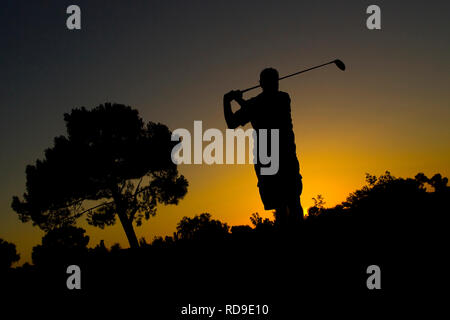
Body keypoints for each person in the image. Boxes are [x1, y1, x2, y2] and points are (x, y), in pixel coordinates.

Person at [223, 68, 303, 227]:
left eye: (275, 80)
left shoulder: (282, 98)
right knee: (281, 206)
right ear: (261, 83)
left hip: (282, 158)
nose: (275, 84)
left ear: (260, 83)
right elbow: (231, 124)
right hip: (268, 161)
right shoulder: (255, 103)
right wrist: (229, 102)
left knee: (292, 202)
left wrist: (233, 100)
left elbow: (260, 110)